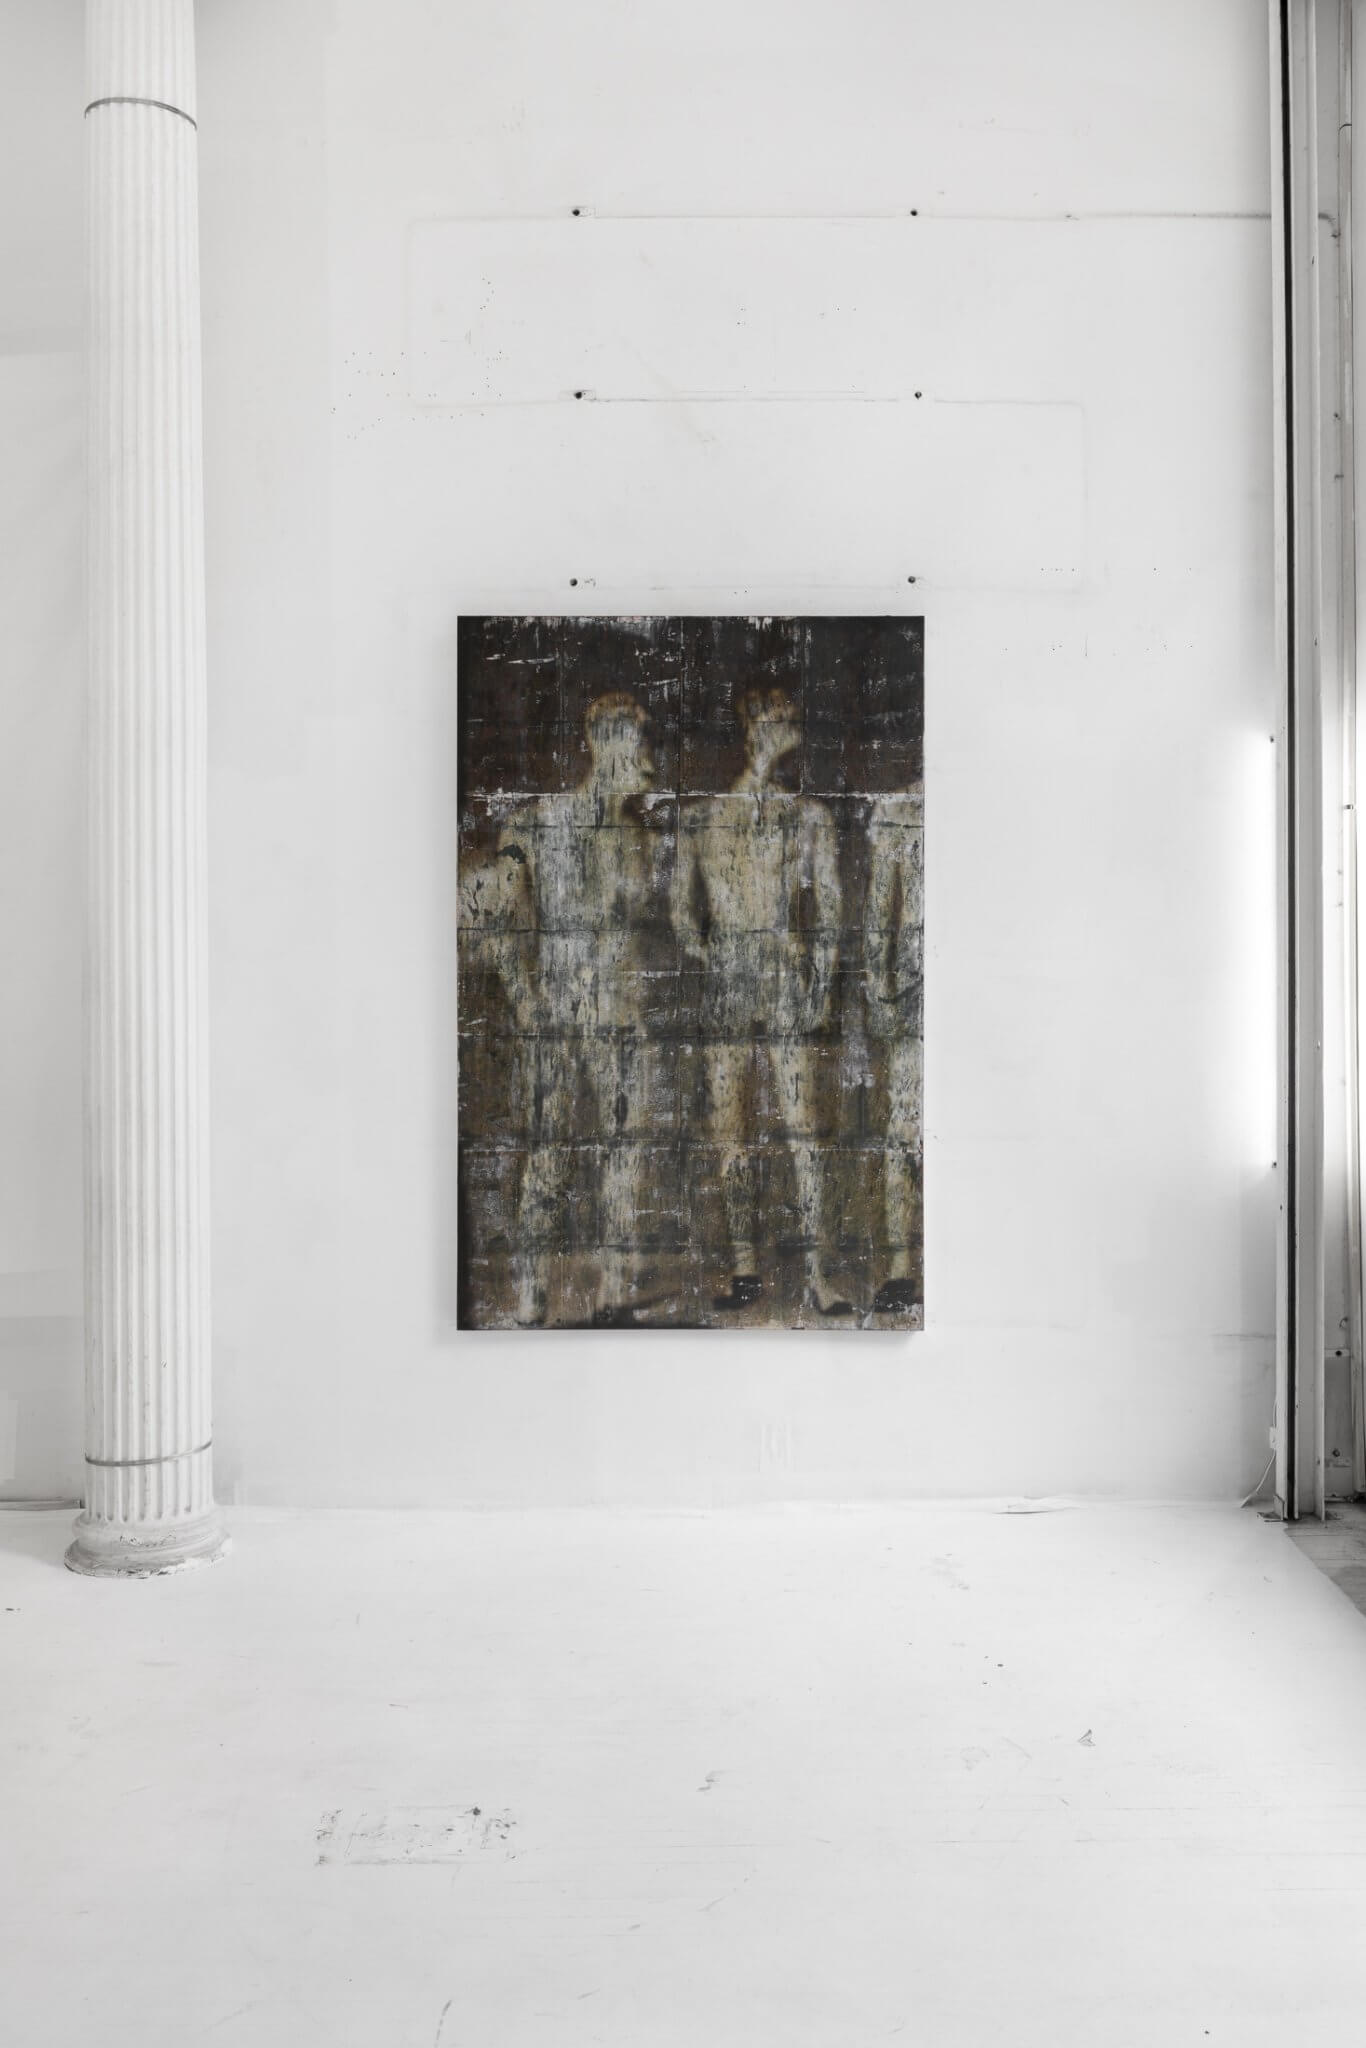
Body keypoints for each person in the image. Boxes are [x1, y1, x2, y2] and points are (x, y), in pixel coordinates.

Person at [461, 692, 662, 1325]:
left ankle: (613, 1293)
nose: (649, 761)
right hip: (557, 1015)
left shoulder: (640, 838)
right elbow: (500, 922)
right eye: (639, 744)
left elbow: (637, 937)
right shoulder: (535, 825)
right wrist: (526, 1003)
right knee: (549, 1154)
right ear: (606, 743)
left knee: (623, 1154)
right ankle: (531, 1294)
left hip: (620, 1016)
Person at [674, 686, 850, 1314]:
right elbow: (681, 913)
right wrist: (714, 954)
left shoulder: (809, 818)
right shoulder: (701, 818)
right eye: (780, 723)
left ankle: (819, 1276)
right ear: (753, 729)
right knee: (731, 1131)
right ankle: (745, 1270)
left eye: (791, 724)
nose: (789, 734)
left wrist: (817, 984)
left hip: (781, 977)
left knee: (803, 1129)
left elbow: (830, 912)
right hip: (733, 981)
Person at [863, 788, 923, 1313]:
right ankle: (902, 1268)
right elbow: (881, 909)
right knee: (900, 1136)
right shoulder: (897, 810)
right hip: (912, 994)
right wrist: (880, 991)